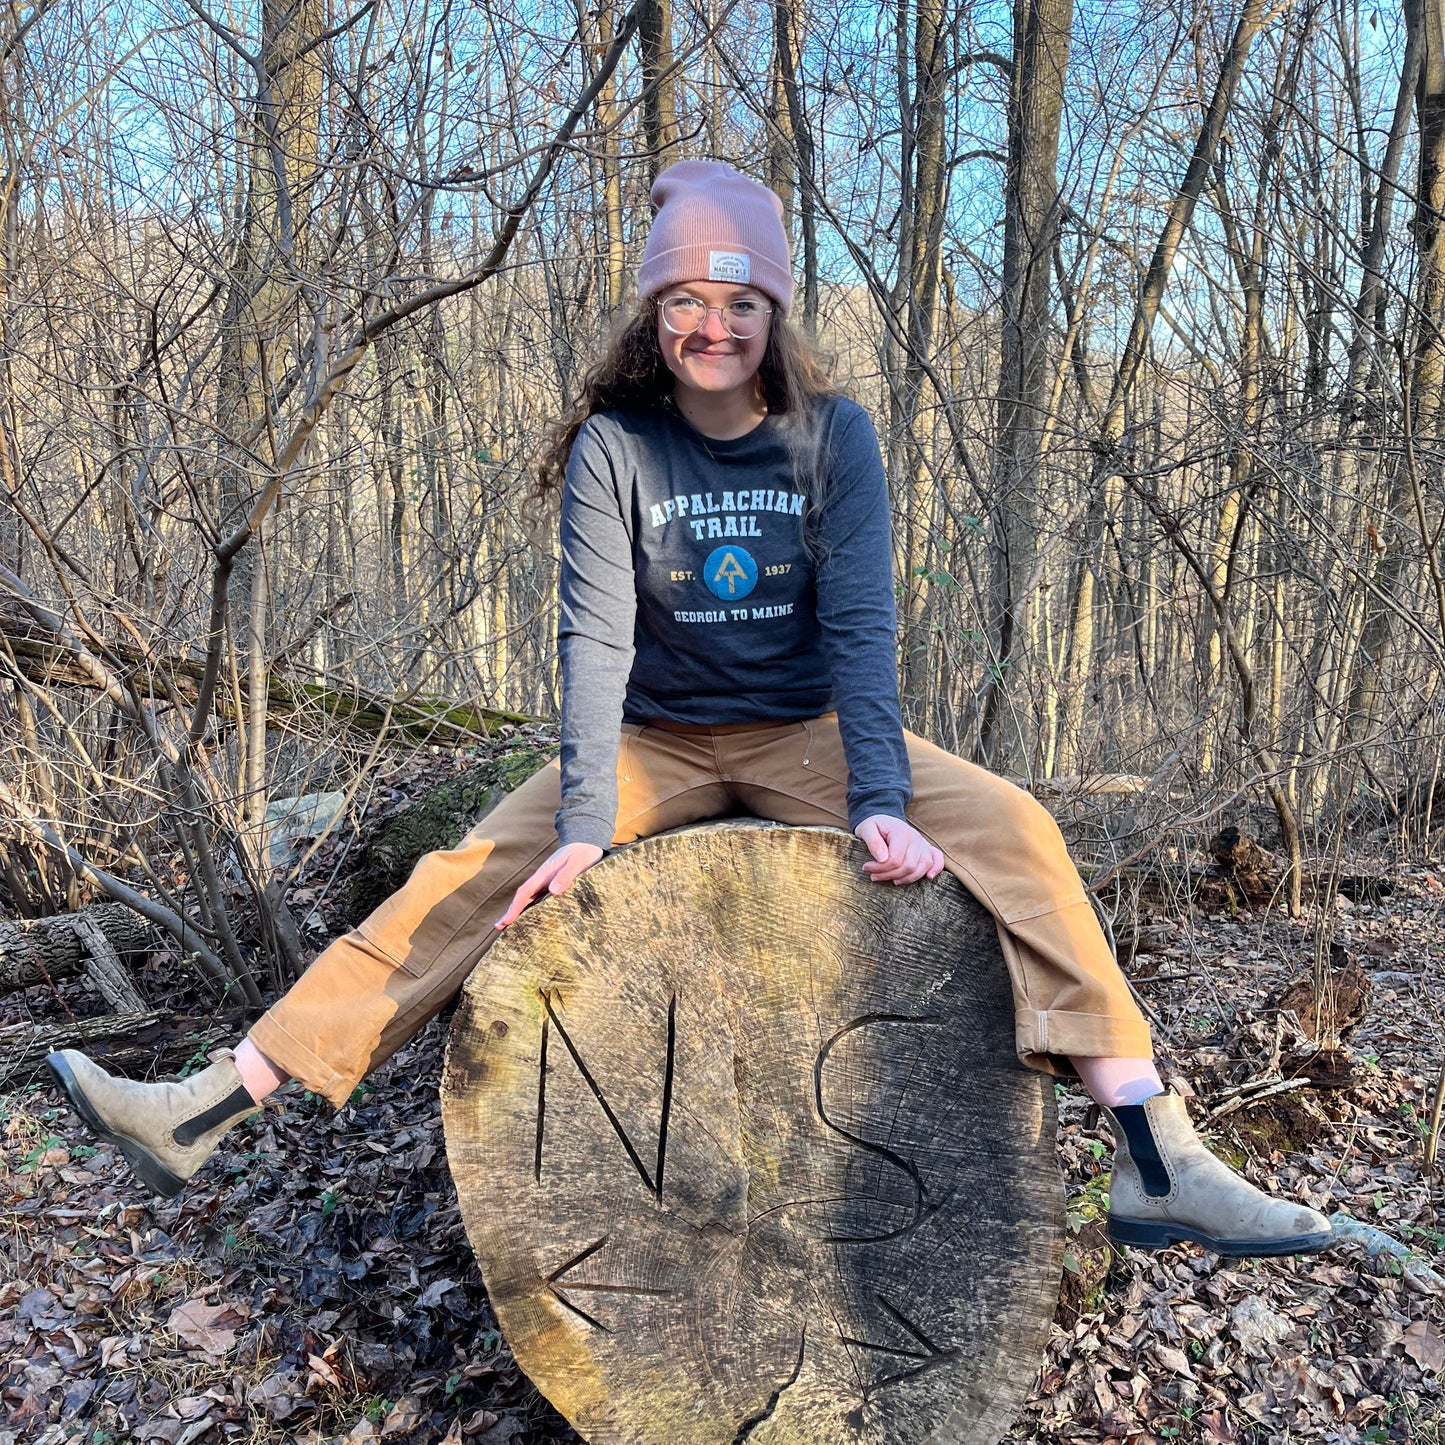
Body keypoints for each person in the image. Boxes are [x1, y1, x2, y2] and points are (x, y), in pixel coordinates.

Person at [49, 160, 1330, 1258]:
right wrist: (586, 818)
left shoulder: (835, 437)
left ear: (772, 311)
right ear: (652, 311)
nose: (709, 326)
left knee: (1013, 826)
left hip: (806, 733)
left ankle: (1154, 1158)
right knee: (459, 873)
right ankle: (211, 1103)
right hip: (649, 740)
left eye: (736, 302)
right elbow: (594, 634)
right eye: (683, 301)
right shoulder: (616, 444)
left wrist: (880, 799)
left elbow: (861, 632)